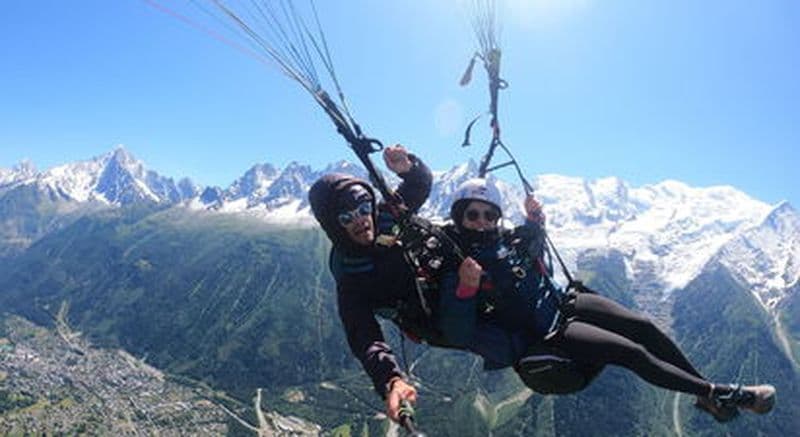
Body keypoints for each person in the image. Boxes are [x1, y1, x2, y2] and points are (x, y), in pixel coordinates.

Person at [437, 177, 777, 423]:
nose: (482, 223)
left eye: (489, 215)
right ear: (459, 216)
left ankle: (704, 395)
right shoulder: (460, 265)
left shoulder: (506, 242)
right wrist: (465, 290)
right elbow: (456, 331)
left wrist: (534, 221)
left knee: (643, 328)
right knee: (633, 354)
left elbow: (531, 255)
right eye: (473, 215)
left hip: (565, 303)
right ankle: (723, 393)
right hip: (550, 335)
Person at [308, 145, 433, 423]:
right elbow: (363, 335)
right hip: (428, 319)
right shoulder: (349, 275)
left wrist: (407, 166)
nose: (362, 220)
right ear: (333, 226)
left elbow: (419, 184)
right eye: (346, 217)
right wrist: (391, 380)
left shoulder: (386, 215)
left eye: (364, 208)